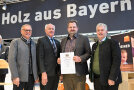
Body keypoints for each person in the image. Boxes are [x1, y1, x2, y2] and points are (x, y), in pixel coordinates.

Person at [57, 20, 91, 90]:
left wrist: (80, 58)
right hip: (66, 74)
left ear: (77, 28)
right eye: (70, 27)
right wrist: (60, 60)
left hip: (79, 73)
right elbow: (61, 54)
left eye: (74, 27)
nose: (72, 28)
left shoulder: (84, 39)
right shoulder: (63, 40)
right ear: (67, 29)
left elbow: (89, 53)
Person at [89, 23, 122, 90]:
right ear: (96, 32)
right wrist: (91, 76)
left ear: (106, 32)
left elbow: (116, 61)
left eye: (102, 30)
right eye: (98, 30)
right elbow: (92, 61)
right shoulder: (94, 45)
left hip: (109, 79)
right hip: (97, 79)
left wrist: (112, 77)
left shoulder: (113, 43)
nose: (100, 32)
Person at [8, 24, 38, 90]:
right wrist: (15, 76)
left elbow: (35, 61)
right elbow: (11, 60)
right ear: (21, 31)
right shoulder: (15, 42)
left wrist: (36, 76)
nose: (28, 32)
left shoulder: (34, 43)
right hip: (19, 76)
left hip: (31, 77)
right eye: (26, 30)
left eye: (30, 30)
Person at [36, 23, 60, 90]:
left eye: (53, 29)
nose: (51, 30)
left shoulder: (57, 42)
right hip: (46, 74)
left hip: (56, 74)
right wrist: (43, 73)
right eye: (49, 29)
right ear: (45, 30)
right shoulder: (41, 41)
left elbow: (59, 57)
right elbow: (40, 58)